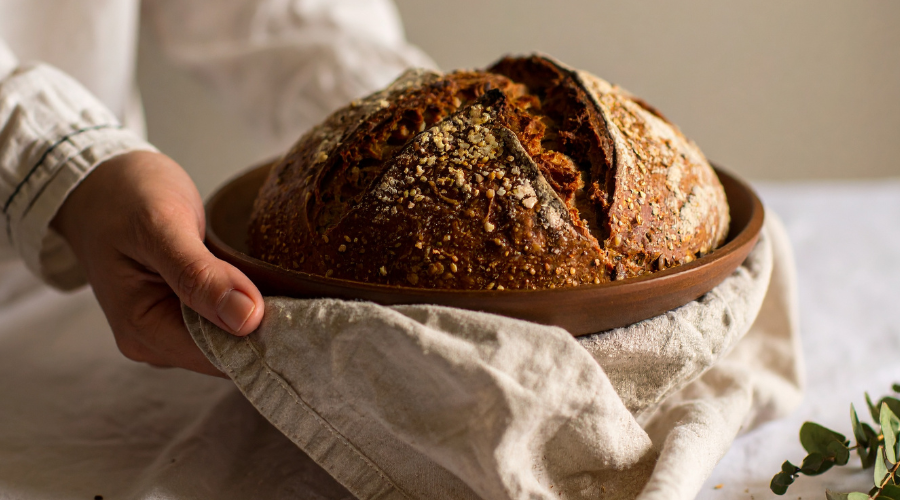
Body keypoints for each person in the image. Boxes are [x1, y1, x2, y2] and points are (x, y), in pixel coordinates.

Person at [0, 0, 434, 376]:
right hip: (101, 249)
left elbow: (270, 12)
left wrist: (390, 108)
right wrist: (66, 163)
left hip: (89, 288)